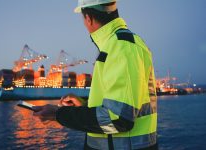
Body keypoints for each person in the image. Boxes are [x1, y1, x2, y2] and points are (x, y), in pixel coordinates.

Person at [33, 0, 158, 149]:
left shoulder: (121, 47)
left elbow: (118, 119)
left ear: (88, 18)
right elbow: (121, 105)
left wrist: (58, 114)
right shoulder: (117, 45)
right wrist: (85, 106)